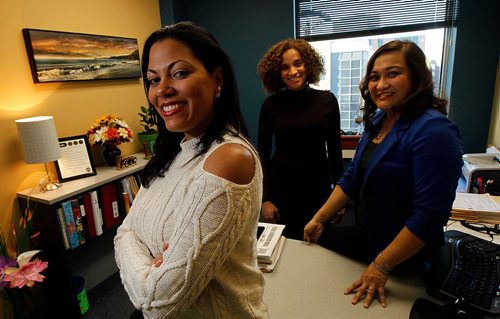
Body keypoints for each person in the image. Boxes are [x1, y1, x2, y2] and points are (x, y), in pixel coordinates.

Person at [114, 22, 269, 318]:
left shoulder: (228, 157)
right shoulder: (171, 152)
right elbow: (124, 230)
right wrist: (134, 246)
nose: (163, 90)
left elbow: (158, 301)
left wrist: (131, 247)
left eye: (180, 73)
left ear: (217, 79)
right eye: (153, 79)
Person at [304, 40, 463, 308]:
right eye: (375, 77)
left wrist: (381, 265)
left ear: (416, 77)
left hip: (406, 255)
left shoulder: (434, 131)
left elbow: (429, 216)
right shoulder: (380, 118)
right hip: (370, 234)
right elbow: (352, 177)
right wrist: (320, 219)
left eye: (393, 74)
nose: (380, 84)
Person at [256, 39, 344, 240]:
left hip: (319, 192)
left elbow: (335, 153)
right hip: (281, 194)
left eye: (298, 63)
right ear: (277, 72)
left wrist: (339, 200)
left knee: (321, 250)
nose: (293, 71)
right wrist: (264, 199)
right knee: (285, 252)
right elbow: (262, 155)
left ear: (308, 64)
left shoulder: (327, 101)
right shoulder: (270, 105)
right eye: (284, 67)